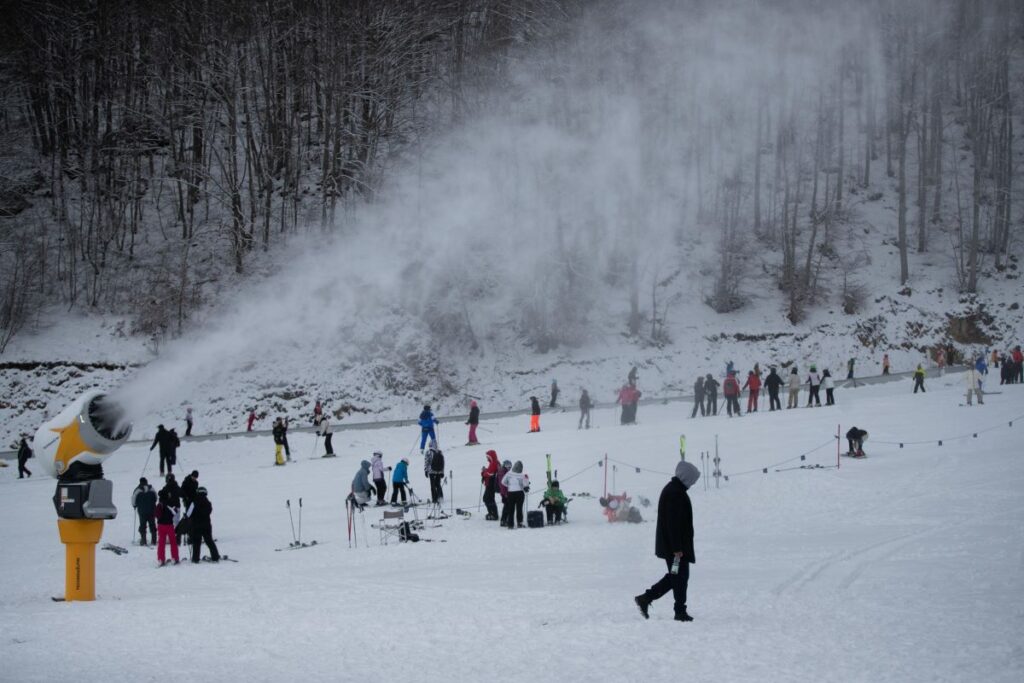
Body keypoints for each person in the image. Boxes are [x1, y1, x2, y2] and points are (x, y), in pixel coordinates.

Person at [634, 459, 699, 623]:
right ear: (686, 478)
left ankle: (646, 599)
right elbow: (673, 523)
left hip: (675, 546)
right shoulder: (675, 493)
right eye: (692, 480)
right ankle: (678, 611)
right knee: (679, 577)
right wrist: (677, 547)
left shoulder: (675, 490)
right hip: (676, 548)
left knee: (676, 576)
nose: (693, 483)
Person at [188, 486, 220, 563]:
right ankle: (215, 556)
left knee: (196, 542)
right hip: (206, 525)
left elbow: (188, 514)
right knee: (209, 541)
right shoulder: (208, 503)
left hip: (196, 525)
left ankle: (195, 558)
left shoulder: (194, 502)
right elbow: (209, 511)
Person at [501, 461, 530, 530]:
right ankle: (519, 523)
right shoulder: (523, 475)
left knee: (511, 509)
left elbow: (503, 482)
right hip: (519, 493)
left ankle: (510, 524)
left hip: (511, 493)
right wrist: (525, 487)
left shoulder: (509, 474)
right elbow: (525, 485)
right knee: (519, 508)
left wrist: (510, 486)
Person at [155, 490, 180, 565]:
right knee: (173, 542)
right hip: (169, 525)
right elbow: (175, 512)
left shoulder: (159, 504)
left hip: (161, 525)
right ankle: (175, 558)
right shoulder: (170, 503)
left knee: (161, 543)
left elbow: (156, 514)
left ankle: (161, 559)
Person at [132, 477, 157, 546]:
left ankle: (143, 540)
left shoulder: (138, 490)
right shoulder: (151, 488)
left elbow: (133, 499)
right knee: (152, 524)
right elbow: (156, 497)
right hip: (151, 510)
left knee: (143, 525)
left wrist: (134, 506)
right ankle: (154, 540)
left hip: (142, 511)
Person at [481, 450, 500, 520]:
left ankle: (494, 514)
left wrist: (484, 471)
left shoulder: (494, 463)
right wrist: (485, 470)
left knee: (488, 499)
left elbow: (489, 473)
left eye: (488, 457)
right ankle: (492, 513)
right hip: (490, 484)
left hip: (491, 484)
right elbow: (490, 472)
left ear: (491, 456)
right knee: (489, 499)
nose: (487, 458)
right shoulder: (494, 462)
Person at [497, 459, 512, 527]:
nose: (509, 468)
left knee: (507, 506)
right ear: (505, 466)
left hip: (505, 492)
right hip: (505, 493)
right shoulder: (503, 472)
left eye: (510, 466)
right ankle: (504, 520)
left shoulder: (504, 471)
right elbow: (502, 485)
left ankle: (505, 520)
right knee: (507, 507)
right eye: (508, 466)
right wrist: (505, 493)